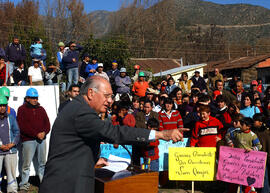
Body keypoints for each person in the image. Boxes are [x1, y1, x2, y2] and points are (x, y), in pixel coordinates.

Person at [39, 76, 185, 193]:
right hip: (66, 185)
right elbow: (113, 132)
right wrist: (160, 134)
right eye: (107, 96)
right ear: (91, 93)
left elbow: (74, 145)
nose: (110, 101)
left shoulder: (78, 107)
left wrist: (92, 159)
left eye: (111, 96)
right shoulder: (81, 112)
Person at [17, 88, 50, 192]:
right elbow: (22, 126)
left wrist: (44, 132)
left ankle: (43, 183)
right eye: (33, 98)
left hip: (42, 140)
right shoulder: (21, 109)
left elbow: (47, 123)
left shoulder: (41, 109)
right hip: (28, 140)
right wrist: (36, 134)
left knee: (42, 163)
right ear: (27, 98)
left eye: (36, 98)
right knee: (26, 164)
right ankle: (24, 184)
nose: (35, 100)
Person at [0, 96, 20, 193]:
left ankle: (12, 191)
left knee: (11, 173)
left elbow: (17, 132)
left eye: (4, 105)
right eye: (0, 106)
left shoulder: (11, 118)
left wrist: (12, 144)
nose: (2, 108)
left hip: (11, 150)